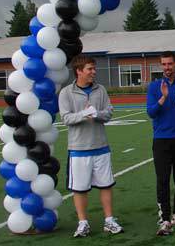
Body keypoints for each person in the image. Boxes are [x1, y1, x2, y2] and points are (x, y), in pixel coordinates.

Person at [58, 54, 123, 237]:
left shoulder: (100, 89)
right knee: (79, 188)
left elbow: (108, 113)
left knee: (106, 185)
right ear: (79, 71)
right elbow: (66, 118)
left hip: (101, 146)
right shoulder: (66, 93)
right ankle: (83, 223)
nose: (94, 72)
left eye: (94, 68)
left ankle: (109, 220)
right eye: (90, 69)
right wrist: (83, 114)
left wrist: (96, 114)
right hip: (78, 149)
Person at [146, 51, 175, 236]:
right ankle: (165, 219)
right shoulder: (154, 86)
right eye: (164, 64)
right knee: (163, 180)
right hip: (161, 140)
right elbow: (151, 112)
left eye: (170, 64)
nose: (167, 67)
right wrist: (164, 97)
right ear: (161, 66)